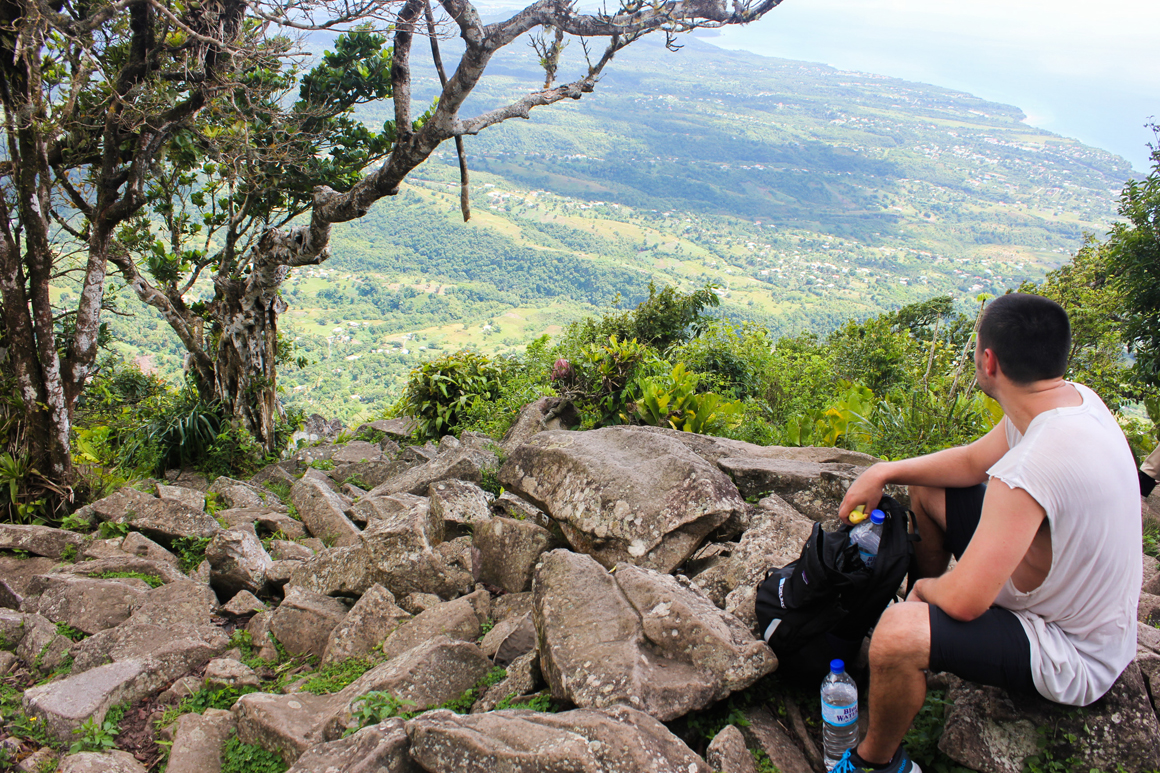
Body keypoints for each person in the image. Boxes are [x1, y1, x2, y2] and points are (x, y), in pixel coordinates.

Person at [830, 293, 1142, 773]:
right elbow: (973, 461)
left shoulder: (1029, 469)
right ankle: (925, 656)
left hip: (1071, 648)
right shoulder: (1068, 404)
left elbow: (965, 602)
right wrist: (884, 471)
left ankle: (877, 763)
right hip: (1061, 592)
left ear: (988, 360)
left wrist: (922, 598)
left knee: (894, 634)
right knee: (929, 489)